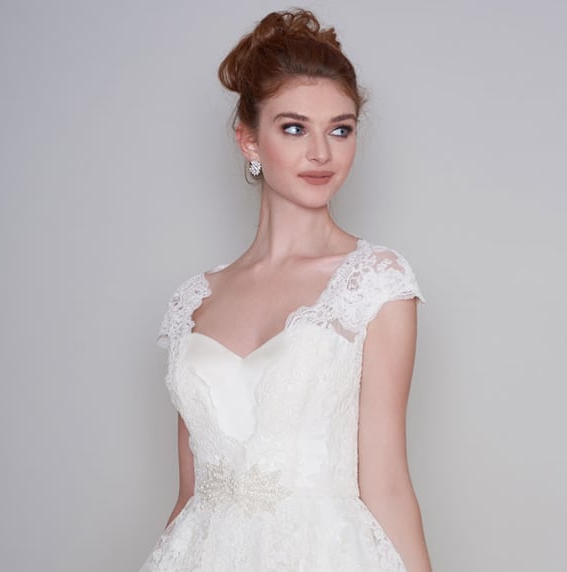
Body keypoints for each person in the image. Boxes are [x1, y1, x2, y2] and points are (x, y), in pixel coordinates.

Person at [139, 9, 432, 572]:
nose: (321, 153)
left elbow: (388, 485)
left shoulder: (375, 282)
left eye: (340, 129)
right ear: (249, 140)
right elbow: (191, 496)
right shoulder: (193, 301)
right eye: (294, 128)